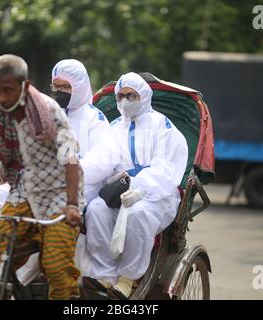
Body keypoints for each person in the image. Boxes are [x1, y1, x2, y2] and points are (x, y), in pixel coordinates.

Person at [0, 54, 84, 300]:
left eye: (9, 90)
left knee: (56, 266)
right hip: (25, 188)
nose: (2, 98)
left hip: (59, 192)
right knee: (2, 253)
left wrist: (73, 204)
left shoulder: (49, 111)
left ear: (25, 85)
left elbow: (71, 158)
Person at [80, 72, 188, 299]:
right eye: (120, 96)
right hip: (120, 191)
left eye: (131, 95)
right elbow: (105, 162)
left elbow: (167, 169)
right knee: (97, 210)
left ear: (145, 96)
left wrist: (140, 187)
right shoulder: (114, 128)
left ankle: (127, 279)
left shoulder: (163, 127)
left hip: (156, 196)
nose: (125, 101)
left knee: (138, 214)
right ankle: (104, 276)